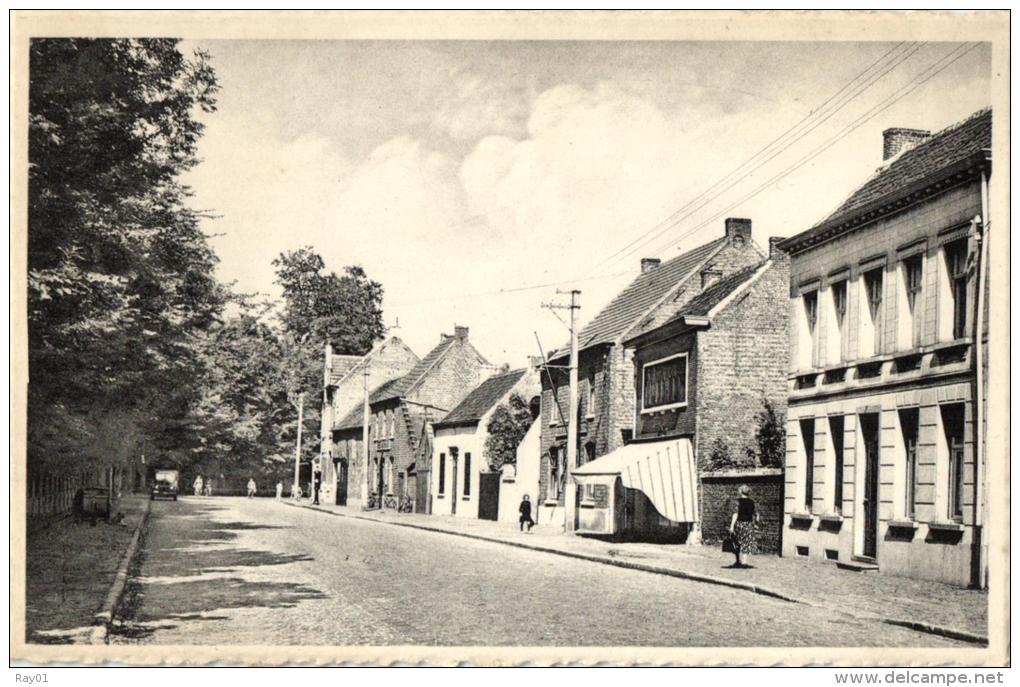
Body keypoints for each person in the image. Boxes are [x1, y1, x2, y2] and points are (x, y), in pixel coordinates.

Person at [728, 484, 761, 568]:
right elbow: (757, 514)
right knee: (746, 542)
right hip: (749, 524)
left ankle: (738, 560)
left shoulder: (737, 501)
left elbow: (735, 513)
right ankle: (744, 561)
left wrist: (732, 526)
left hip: (739, 524)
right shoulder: (752, 502)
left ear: (740, 491)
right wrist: (756, 523)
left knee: (737, 542)